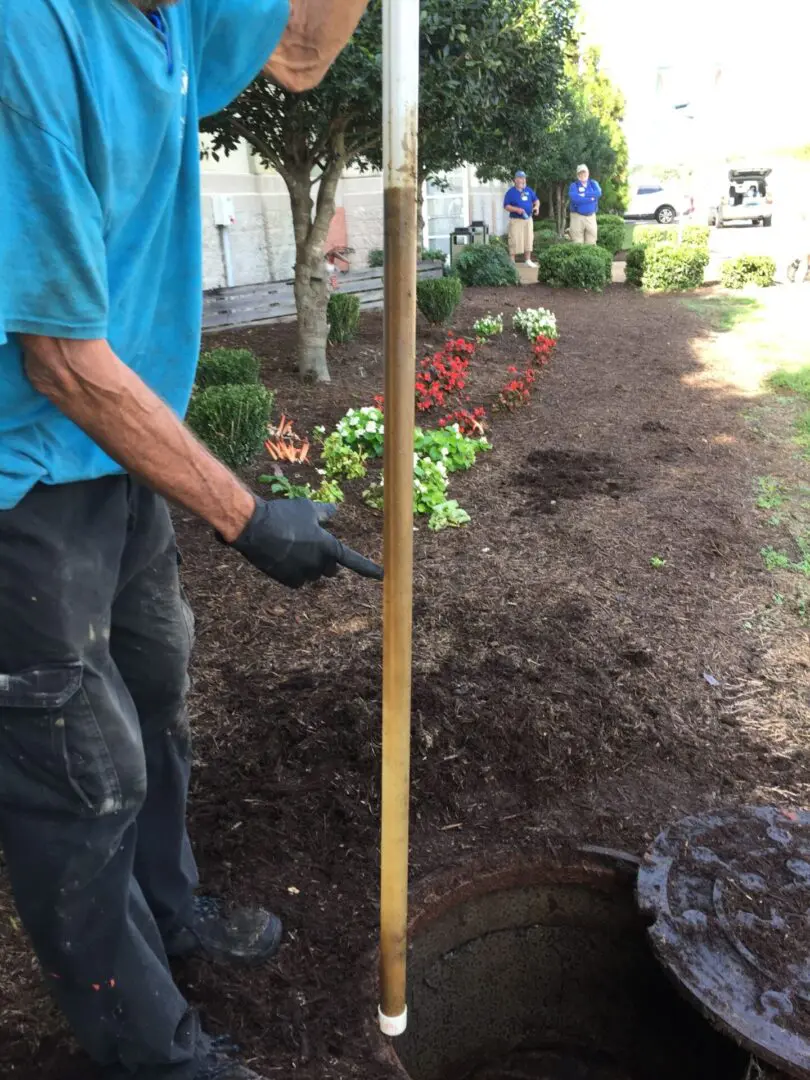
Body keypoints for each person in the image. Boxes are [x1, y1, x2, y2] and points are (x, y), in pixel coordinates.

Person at [0, 2, 379, 1079]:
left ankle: (170, 910)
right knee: (82, 777)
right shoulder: (28, 35)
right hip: (20, 475)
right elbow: (61, 362)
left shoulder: (172, 15)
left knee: (156, 696)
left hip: (118, 457)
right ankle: (154, 1055)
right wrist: (250, 516)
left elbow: (302, 53)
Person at [503, 170, 540, 267]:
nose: (522, 180)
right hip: (516, 220)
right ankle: (512, 261)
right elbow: (506, 206)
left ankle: (528, 260)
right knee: (514, 239)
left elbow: (536, 200)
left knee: (529, 238)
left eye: (523, 178)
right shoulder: (510, 192)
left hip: (528, 219)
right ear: (515, 180)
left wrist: (536, 207)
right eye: (520, 178)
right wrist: (516, 209)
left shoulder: (528, 190)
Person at [568, 164, 602, 245]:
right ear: (577, 175)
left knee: (592, 242)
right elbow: (575, 198)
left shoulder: (593, 183)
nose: (583, 175)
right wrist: (591, 198)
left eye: (584, 172)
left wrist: (584, 195)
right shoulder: (574, 185)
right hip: (577, 217)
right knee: (577, 243)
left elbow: (598, 193)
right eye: (580, 173)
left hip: (591, 217)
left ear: (588, 173)